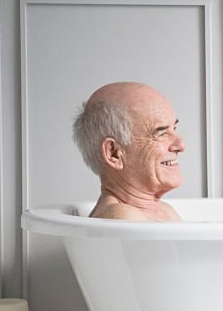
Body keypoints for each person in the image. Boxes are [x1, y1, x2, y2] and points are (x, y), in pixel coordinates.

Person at [72, 81, 185, 221]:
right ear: (114, 153)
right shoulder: (121, 215)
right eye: (161, 133)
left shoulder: (163, 210)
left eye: (174, 128)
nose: (181, 145)